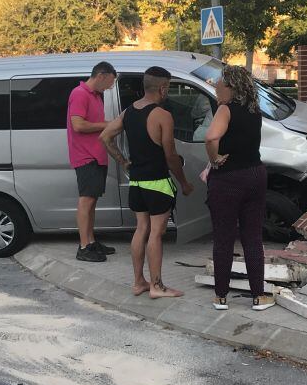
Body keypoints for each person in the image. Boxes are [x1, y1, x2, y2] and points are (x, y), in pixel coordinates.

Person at [100, 66, 194, 299]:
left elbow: (105, 136)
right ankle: (157, 286)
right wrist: (183, 183)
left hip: (137, 183)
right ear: (162, 88)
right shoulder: (162, 116)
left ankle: (138, 282)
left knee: (141, 229)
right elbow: (171, 156)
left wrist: (123, 162)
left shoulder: (129, 111)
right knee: (156, 233)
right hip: (158, 183)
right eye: (168, 88)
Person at [205, 65, 274, 311]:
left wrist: (214, 160)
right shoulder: (255, 110)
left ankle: (221, 297)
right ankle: (258, 296)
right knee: (252, 238)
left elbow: (211, 138)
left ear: (231, 87)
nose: (216, 86)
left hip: (228, 179)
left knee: (223, 238)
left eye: (220, 83)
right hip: (255, 174)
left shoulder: (225, 109)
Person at [67, 61, 118, 262]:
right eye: (109, 83)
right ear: (101, 75)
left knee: (92, 200)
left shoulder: (96, 96)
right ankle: (84, 246)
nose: (109, 87)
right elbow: (78, 125)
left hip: (97, 154)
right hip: (85, 155)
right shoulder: (79, 94)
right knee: (86, 200)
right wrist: (107, 125)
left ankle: (91, 240)